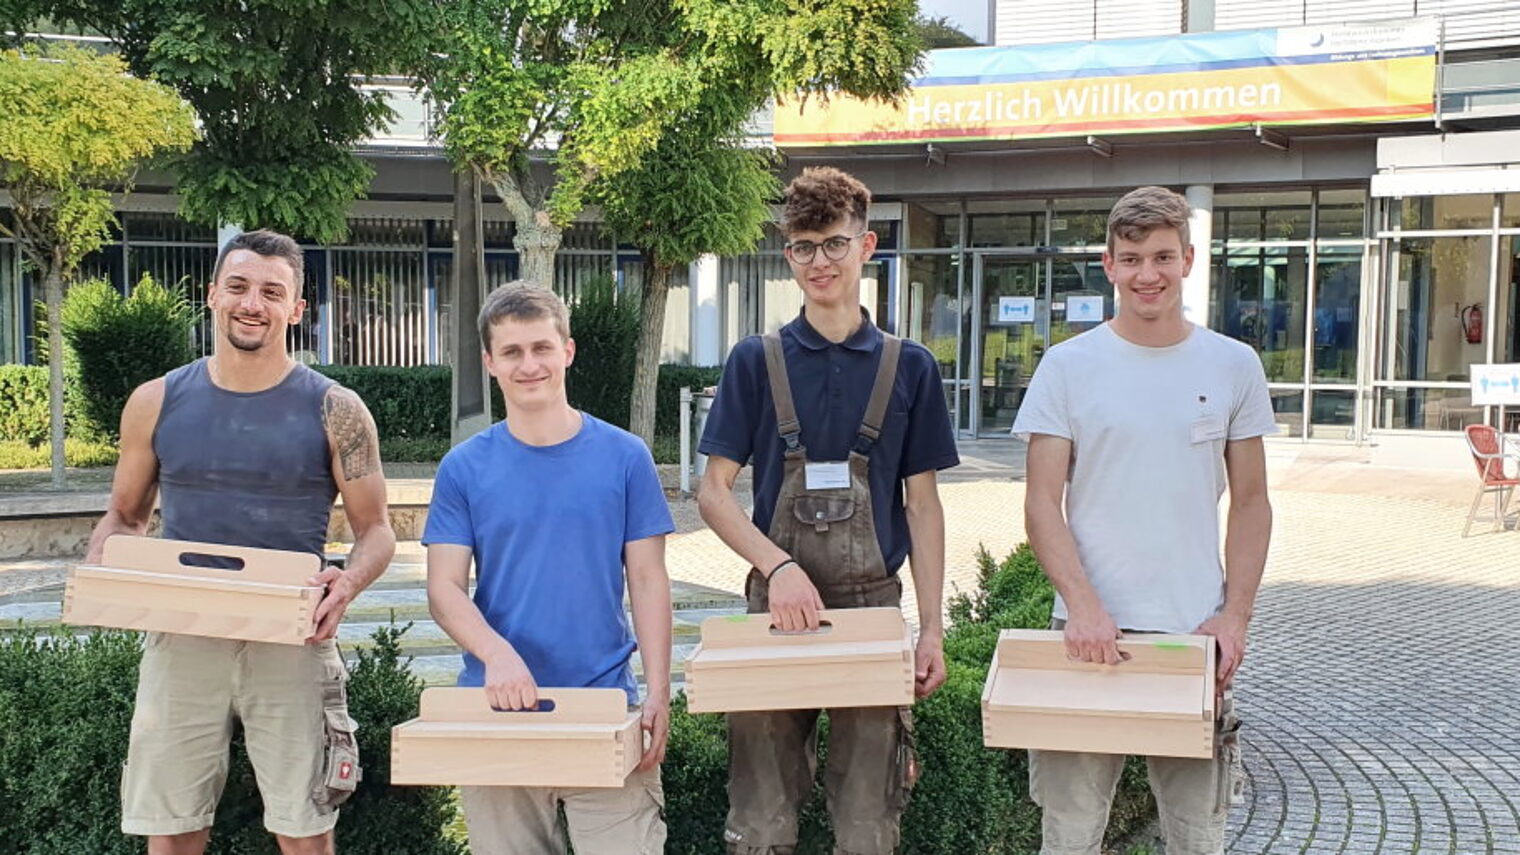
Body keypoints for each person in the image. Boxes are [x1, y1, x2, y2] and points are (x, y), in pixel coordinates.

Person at [87, 229, 396, 855]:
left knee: (304, 830)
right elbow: (123, 516)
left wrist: (348, 582)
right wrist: (105, 573)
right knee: (169, 830)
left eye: (271, 292)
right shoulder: (155, 401)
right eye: (239, 286)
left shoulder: (336, 408)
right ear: (212, 295)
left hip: (293, 638)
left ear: (296, 309)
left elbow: (377, 530)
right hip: (182, 639)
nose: (253, 303)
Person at [697, 166, 960, 854]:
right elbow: (713, 492)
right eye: (805, 247)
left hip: (873, 608)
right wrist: (776, 566)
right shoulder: (754, 361)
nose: (821, 261)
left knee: (869, 825)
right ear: (788, 255)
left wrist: (929, 629)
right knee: (758, 825)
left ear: (866, 245)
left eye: (835, 243)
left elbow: (923, 507)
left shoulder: (912, 367)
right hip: (774, 609)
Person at [1013, 186, 1275, 855]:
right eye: (1131, 258)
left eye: (1162, 256)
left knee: (1197, 838)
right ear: (1108, 264)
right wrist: (1083, 605)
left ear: (1188, 258)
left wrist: (1234, 616)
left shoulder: (1234, 364)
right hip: (1084, 636)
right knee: (1068, 838)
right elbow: (1041, 501)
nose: (1147, 273)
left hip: (1196, 639)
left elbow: (1251, 501)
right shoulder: (1068, 367)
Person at [423, 282, 674, 855]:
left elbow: (648, 579)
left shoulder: (625, 456)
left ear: (568, 350)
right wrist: (497, 655)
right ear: (489, 362)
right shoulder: (463, 468)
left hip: (606, 705)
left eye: (541, 347)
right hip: (498, 710)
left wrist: (659, 691)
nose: (528, 364)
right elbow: (443, 588)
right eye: (511, 352)